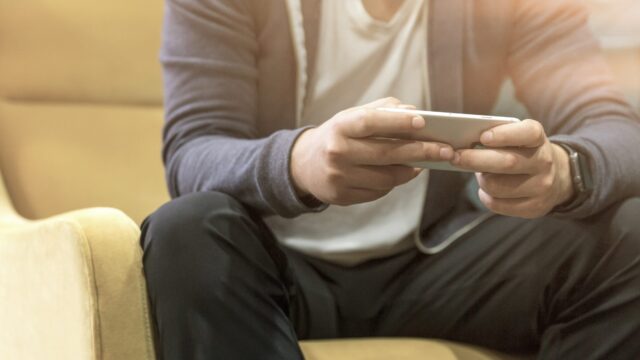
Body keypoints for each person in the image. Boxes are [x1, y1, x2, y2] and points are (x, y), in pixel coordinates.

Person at [141, 0, 640, 359]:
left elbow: (617, 130)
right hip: (276, 272)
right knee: (186, 228)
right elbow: (194, 151)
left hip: (435, 270)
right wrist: (300, 161)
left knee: (631, 228)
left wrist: (565, 169)